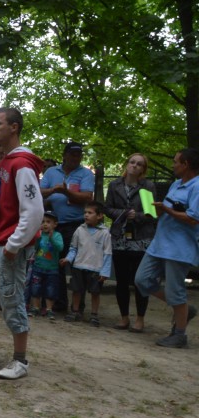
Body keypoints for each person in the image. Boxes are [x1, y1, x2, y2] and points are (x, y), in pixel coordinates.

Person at [0, 107, 45, 380]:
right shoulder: (7, 162)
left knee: (12, 298)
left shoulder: (21, 165)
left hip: (11, 244)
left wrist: (14, 245)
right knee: (4, 295)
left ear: (14, 127)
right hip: (2, 240)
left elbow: (34, 211)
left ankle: (20, 361)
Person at [134, 148, 199, 348]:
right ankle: (185, 309)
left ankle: (179, 335)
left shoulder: (197, 186)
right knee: (142, 280)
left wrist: (167, 210)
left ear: (186, 164)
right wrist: (157, 210)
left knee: (175, 291)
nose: (173, 165)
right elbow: (170, 211)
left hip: (179, 248)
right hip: (159, 243)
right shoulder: (176, 184)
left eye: (176, 161)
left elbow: (193, 218)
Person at [104, 153, 156, 332]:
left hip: (141, 239)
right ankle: (124, 317)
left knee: (139, 281)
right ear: (126, 164)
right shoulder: (114, 185)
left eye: (139, 164)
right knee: (121, 280)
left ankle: (140, 319)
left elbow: (151, 213)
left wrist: (137, 216)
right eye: (132, 162)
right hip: (119, 238)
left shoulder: (147, 186)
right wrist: (123, 213)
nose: (134, 166)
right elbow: (107, 208)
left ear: (143, 169)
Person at [40, 141, 95, 312]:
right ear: (64, 155)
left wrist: (66, 192)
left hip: (76, 225)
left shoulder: (86, 173)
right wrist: (53, 190)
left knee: (77, 265)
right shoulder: (51, 172)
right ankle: (58, 302)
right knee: (54, 263)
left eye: (78, 155)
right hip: (53, 225)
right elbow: (39, 192)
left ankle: (78, 306)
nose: (75, 157)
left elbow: (87, 197)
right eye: (72, 154)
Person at [60, 201, 112, 325]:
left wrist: (105, 271)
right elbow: (74, 248)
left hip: (96, 268)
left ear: (99, 215)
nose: (86, 215)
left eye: (90, 213)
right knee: (76, 290)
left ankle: (94, 315)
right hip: (78, 265)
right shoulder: (79, 230)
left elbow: (107, 253)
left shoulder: (105, 233)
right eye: (85, 212)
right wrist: (68, 259)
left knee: (95, 292)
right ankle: (75, 311)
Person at [29, 212, 63, 320]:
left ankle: (49, 309)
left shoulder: (57, 235)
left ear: (55, 224)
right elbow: (35, 247)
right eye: (43, 222)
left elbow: (60, 248)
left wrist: (52, 238)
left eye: (48, 222)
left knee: (50, 289)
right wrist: (37, 237)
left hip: (52, 269)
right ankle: (35, 307)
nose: (45, 224)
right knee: (35, 288)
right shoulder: (39, 235)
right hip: (37, 267)